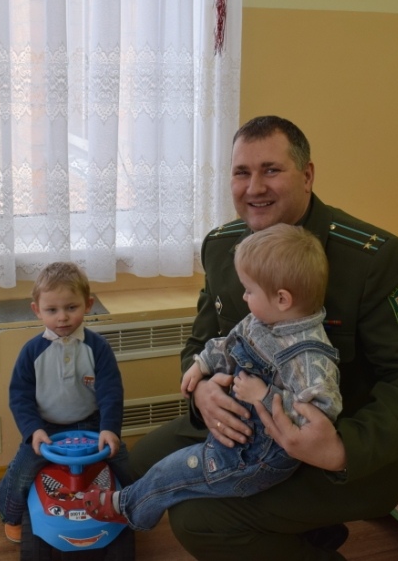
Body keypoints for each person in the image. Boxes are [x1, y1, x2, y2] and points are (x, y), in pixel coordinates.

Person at [129, 115, 398, 560]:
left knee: (199, 520)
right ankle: (305, 537)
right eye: (242, 172)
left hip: (335, 444)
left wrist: (341, 448)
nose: (254, 187)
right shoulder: (222, 247)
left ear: (307, 175)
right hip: (246, 423)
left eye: (271, 170)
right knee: (137, 463)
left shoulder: (374, 260)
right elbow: (200, 343)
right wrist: (202, 391)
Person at [79, 223, 342, 530]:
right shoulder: (262, 319)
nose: (244, 296)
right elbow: (228, 344)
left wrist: (264, 396)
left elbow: (317, 419)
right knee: (160, 463)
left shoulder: (310, 357)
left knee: (172, 475)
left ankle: (125, 507)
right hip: (235, 433)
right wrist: (202, 365)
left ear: (282, 299)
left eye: (249, 290)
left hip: (258, 459)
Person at [0, 261, 133, 543]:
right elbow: (19, 397)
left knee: (126, 465)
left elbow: (111, 391)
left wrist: (109, 429)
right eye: (52, 310)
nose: (62, 317)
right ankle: (11, 516)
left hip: (92, 424)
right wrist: (33, 430)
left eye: (71, 307)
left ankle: (136, 508)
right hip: (47, 428)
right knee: (21, 472)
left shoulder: (98, 348)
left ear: (88, 305)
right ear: (37, 310)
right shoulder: (31, 351)